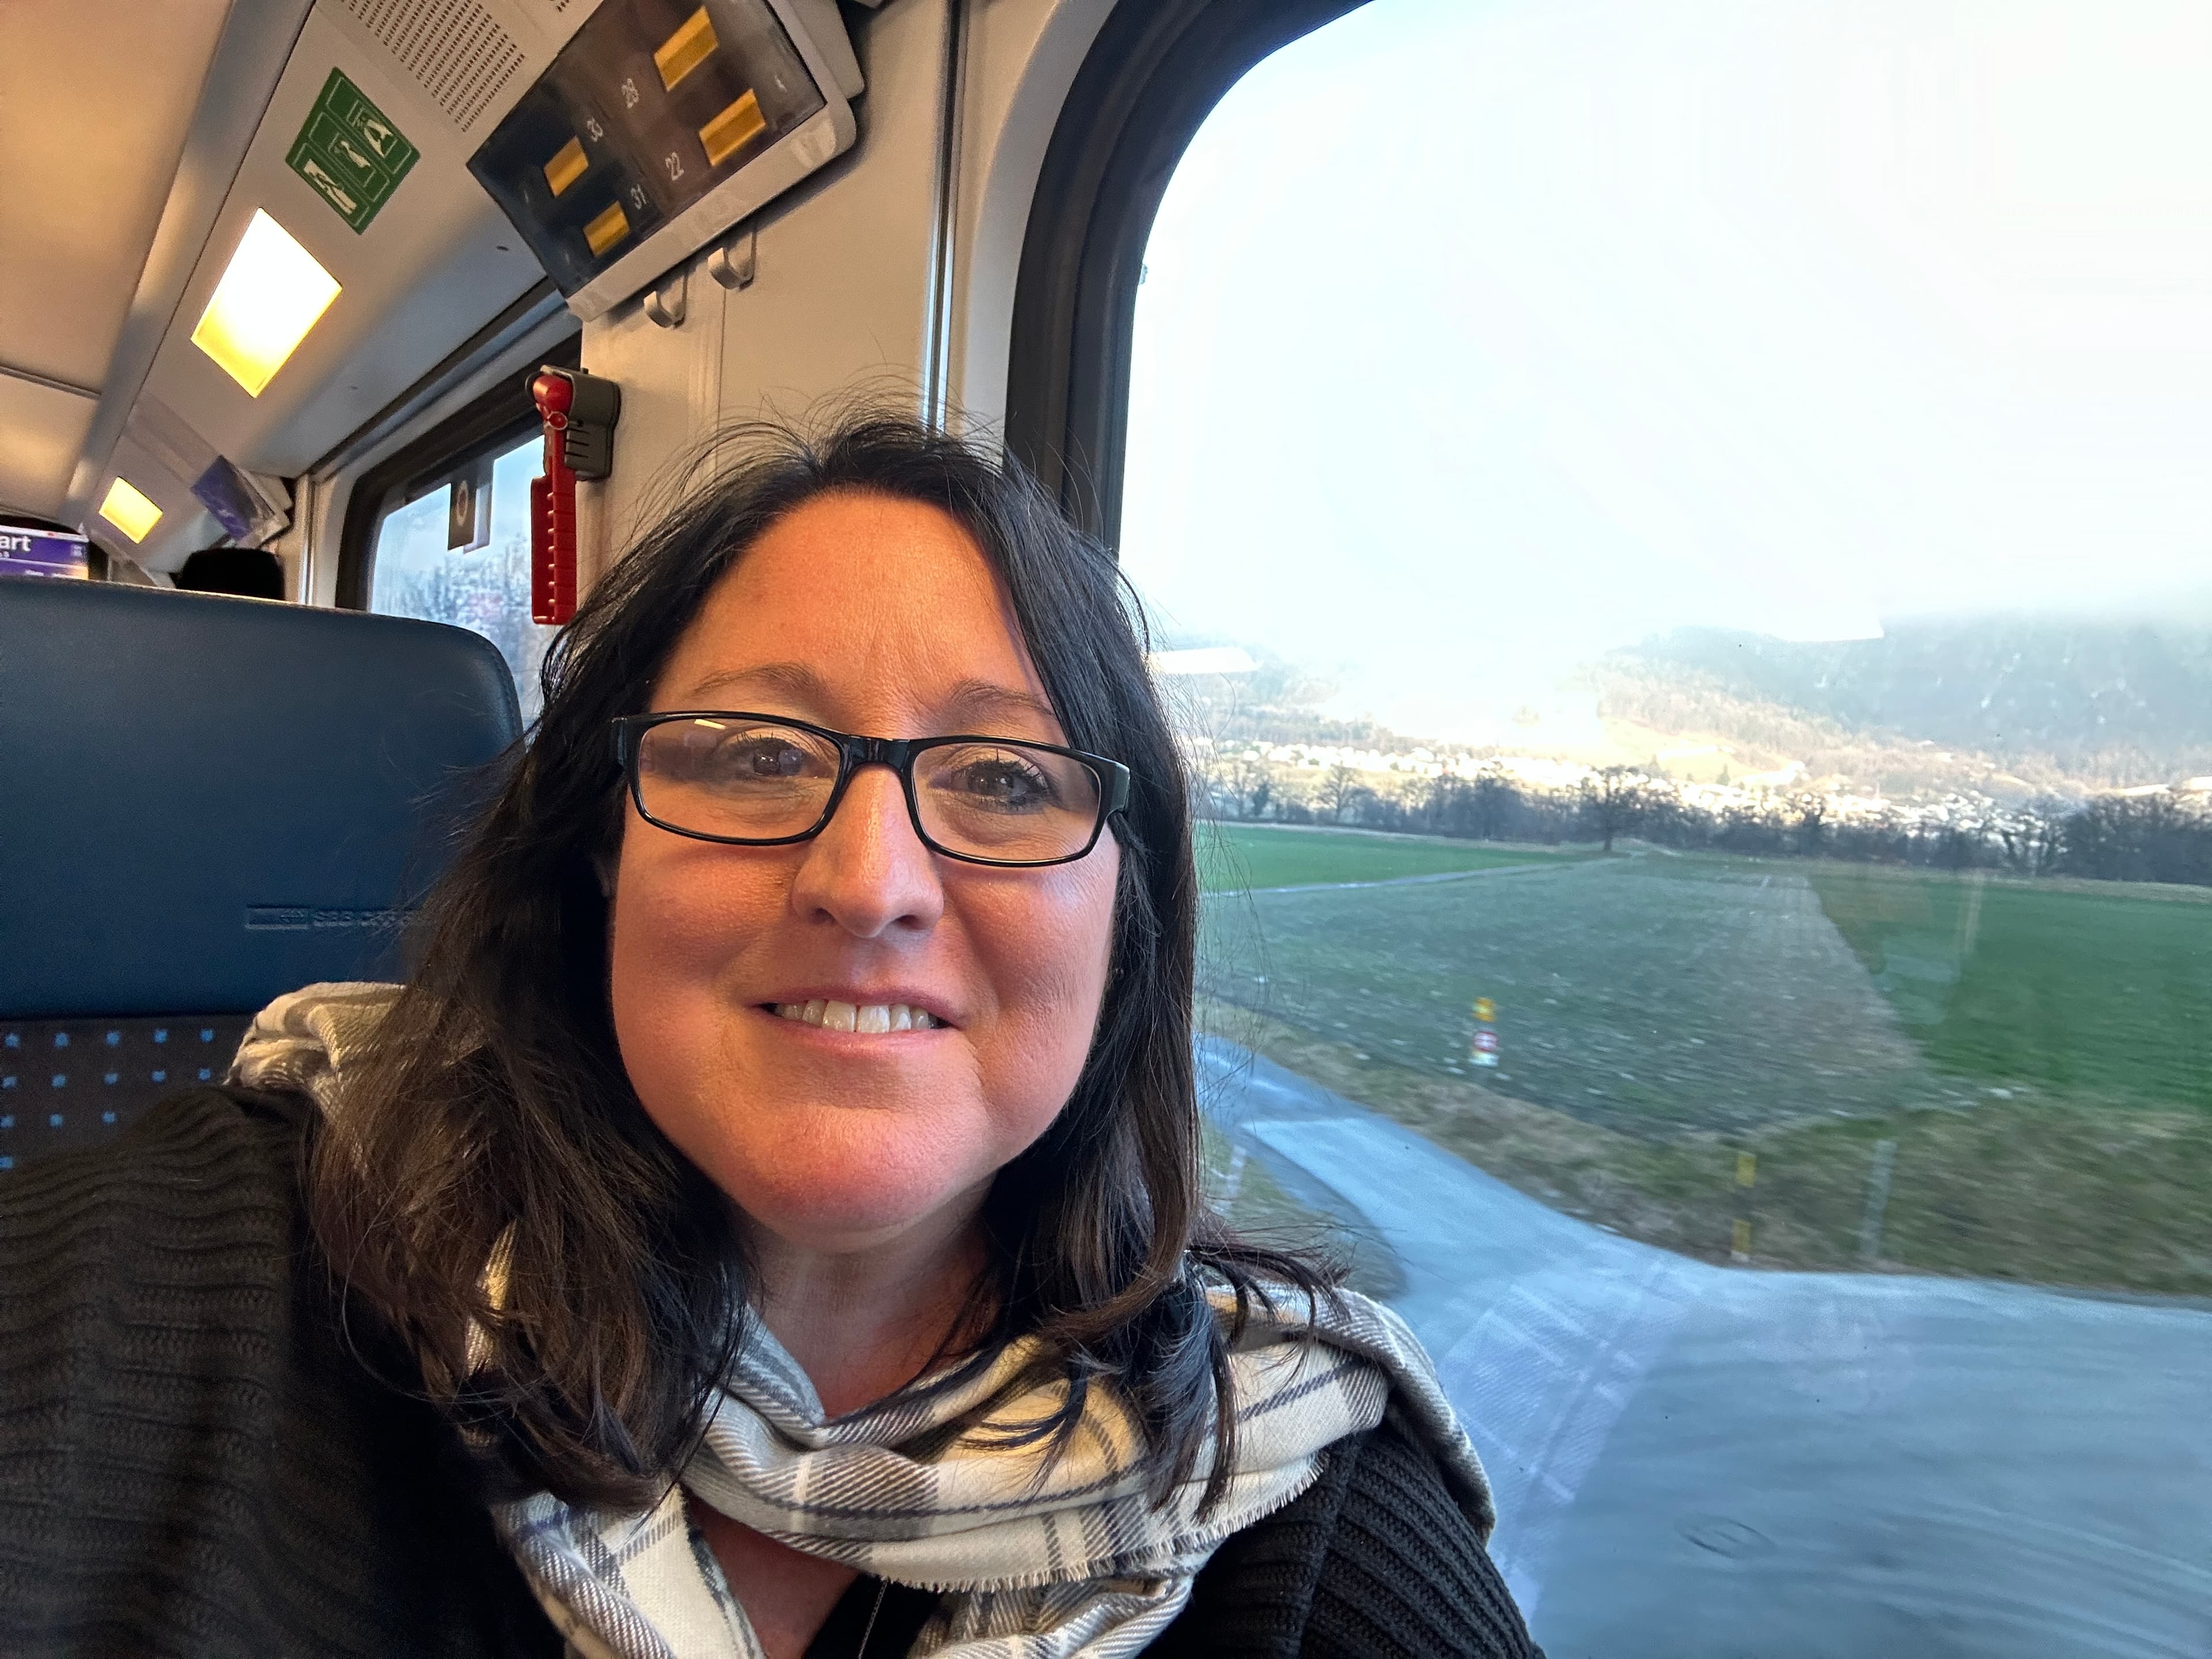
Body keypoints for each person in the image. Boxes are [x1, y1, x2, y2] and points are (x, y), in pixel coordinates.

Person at [0, 416, 1539, 1658]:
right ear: (606, 848)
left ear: (1124, 915)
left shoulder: (1294, 1510)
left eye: (1004, 780)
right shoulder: (169, 1303)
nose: (869, 882)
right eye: (753, 754)